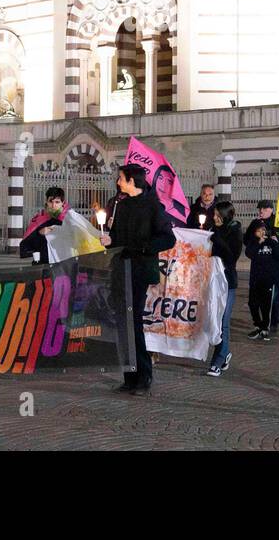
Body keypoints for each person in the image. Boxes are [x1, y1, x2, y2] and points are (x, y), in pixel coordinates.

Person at [103, 163, 176, 395]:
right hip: (121, 269)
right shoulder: (121, 205)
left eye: (121, 178)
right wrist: (109, 240)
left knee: (133, 322)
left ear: (132, 181)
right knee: (123, 325)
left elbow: (168, 238)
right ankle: (129, 377)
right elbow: (117, 238)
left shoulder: (153, 205)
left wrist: (145, 248)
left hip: (139, 270)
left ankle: (143, 376)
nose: (118, 182)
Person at [204, 201, 243, 376]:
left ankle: (218, 360)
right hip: (210, 281)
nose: (215, 218)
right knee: (211, 317)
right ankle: (225, 352)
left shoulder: (234, 230)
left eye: (218, 215)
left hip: (227, 281)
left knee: (222, 320)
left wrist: (217, 239)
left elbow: (232, 256)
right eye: (214, 214)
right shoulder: (211, 227)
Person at [242, 209, 279, 344]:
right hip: (255, 278)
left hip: (269, 279)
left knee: (267, 305)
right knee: (253, 303)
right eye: (259, 230)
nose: (262, 233)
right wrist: (257, 242)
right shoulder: (253, 243)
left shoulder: (271, 242)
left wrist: (275, 243)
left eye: (263, 230)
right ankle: (258, 324)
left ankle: (265, 327)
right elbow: (249, 254)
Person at [18, 186, 67, 264]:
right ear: (46, 202)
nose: (53, 205)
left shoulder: (68, 219)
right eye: (51, 201)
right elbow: (26, 246)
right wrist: (39, 233)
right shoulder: (39, 220)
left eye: (57, 202)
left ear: (62, 203)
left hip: (64, 265)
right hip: (43, 265)